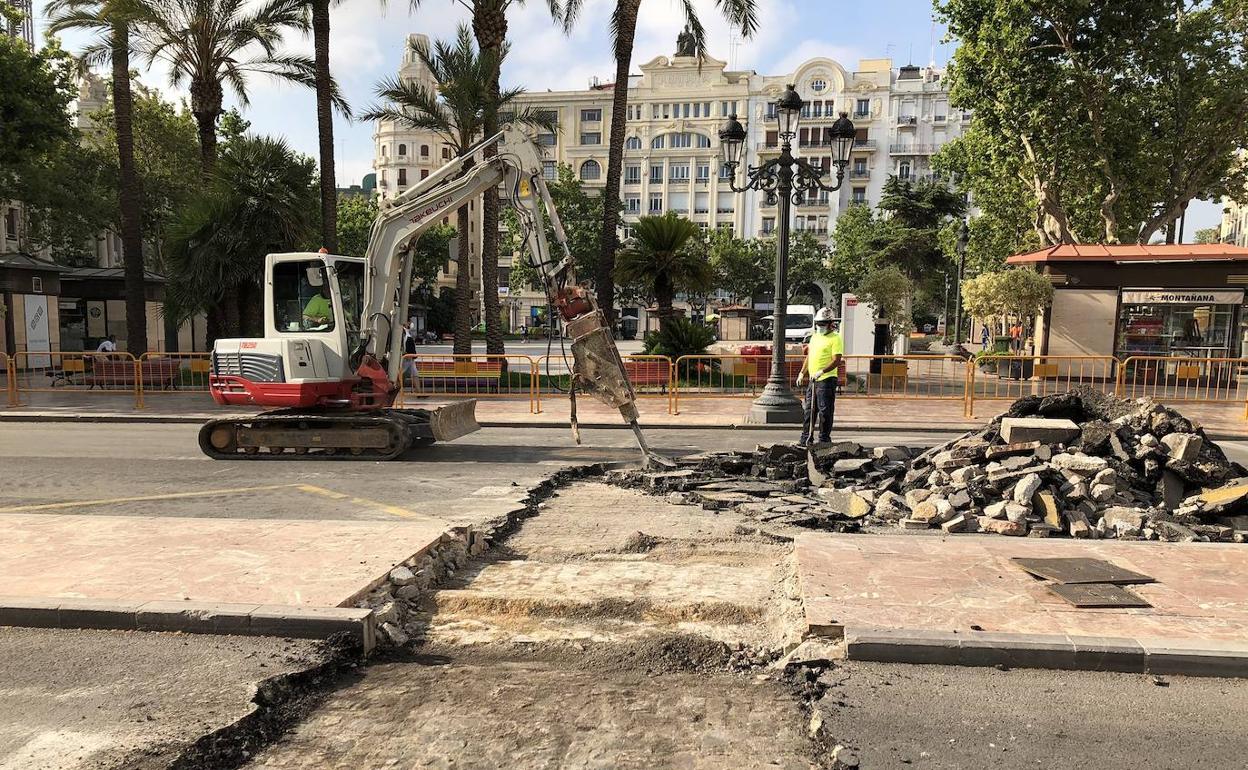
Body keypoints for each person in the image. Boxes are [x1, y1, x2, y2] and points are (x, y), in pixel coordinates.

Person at [795, 308, 843, 448]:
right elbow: (809, 357)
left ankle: (824, 440)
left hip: (826, 379)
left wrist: (821, 371)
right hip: (813, 380)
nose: (820, 326)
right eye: (819, 324)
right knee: (809, 410)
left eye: (823, 324)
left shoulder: (835, 338)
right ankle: (806, 438)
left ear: (830, 324)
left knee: (824, 411)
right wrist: (802, 373)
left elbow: (836, 360)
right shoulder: (815, 337)